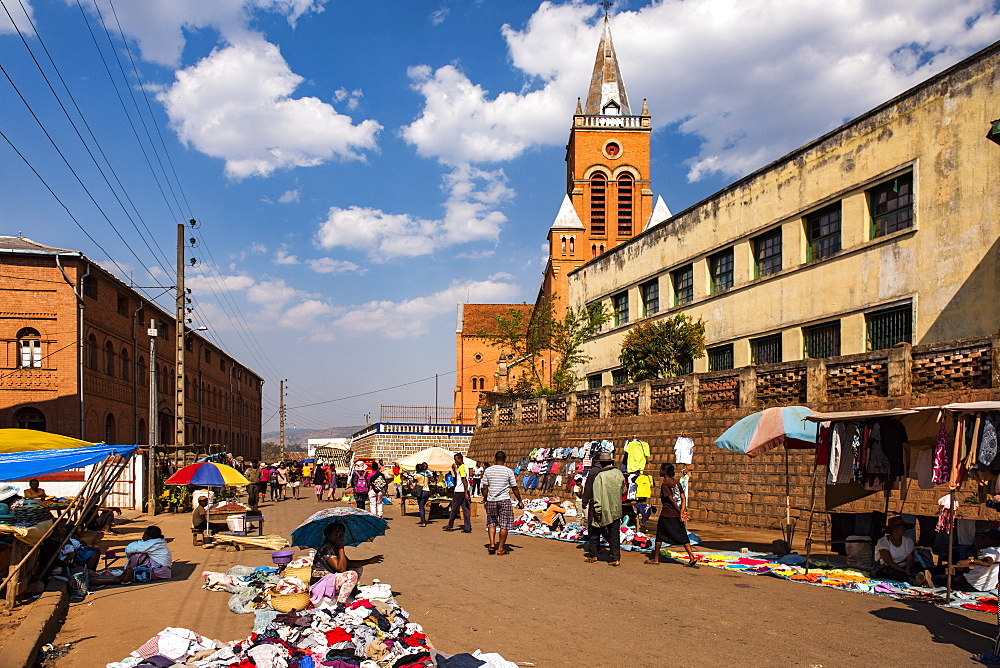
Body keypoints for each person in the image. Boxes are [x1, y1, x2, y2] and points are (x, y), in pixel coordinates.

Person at [310, 522, 384, 609]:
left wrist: (370, 561)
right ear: (328, 535)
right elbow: (341, 568)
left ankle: (345, 595)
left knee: (357, 568)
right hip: (321, 583)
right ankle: (340, 605)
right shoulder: (327, 548)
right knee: (352, 575)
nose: (339, 537)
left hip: (330, 580)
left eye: (341, 535)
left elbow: (348, 563)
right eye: (335, 535)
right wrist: (341, 548)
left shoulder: (334, 547)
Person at [646, 463, 700, 567]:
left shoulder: (665, 484)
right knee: (682, 535)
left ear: (664, 471)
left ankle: (656, 559)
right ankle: (691, 556)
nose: (659, 471)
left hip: (667, 514)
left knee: (659, 536)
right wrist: (682, 512)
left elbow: (671, 501)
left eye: (661, 469)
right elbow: (683, 498)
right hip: (677, 514)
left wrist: (680, 512)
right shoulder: (676, 483)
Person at [582, 451, 626, 566]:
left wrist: (597, 510)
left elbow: (597, 495)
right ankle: (616, 558)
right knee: (614, 534)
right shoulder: (619, 473)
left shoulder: (600, 476)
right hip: (616, 509)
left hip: (602, 509)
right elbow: (623, 490)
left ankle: (593, 555)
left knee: (595, 533)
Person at [929, 529, 1000, 591]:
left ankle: (927, 575)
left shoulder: (991, 550)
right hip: (986, 587)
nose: (981, 540)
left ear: (994, 542)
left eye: (984, 538)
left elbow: (988, 562)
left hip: (971, 584)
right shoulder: (998, 551)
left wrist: (970, 561)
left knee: (937, 579)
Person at [482, 450, 522, 556]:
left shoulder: (488, 471)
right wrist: (520, 500)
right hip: (504, 500)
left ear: (494, 459)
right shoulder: (508, 471)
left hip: (491, 500)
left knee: (491, 522)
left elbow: (485, 487)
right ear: (505, 460)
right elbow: (514, 487)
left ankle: (491, 545)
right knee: (504, 525)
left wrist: (485, 500)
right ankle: (500, 548)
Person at [873, 516, 918, 583]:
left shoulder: (908, 540)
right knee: (896, 574)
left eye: (904, 527)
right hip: (889, 567)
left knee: (917, 568)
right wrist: (904, 572)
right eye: (900, 527)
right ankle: (913, 580)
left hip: (904, 566)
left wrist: (908, 570)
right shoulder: (883, 541)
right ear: (894, 529)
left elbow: (910, 558)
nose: (903, 529)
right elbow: (889, 561)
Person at [443, 453, 472, 533]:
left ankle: (450, 525)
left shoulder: (462, 468)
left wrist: (465, 493)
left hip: (460, 491)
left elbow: (464, 480)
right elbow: (459, 478)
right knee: (466, 509)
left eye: (455, 460)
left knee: (454, 509)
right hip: (464, 490)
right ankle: (467, 527)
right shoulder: (465, 467)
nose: (455, 461)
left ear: (459, 459)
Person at [414, 463, 432, 527]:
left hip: (421, 491)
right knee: (423, 506)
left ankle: (423, 522)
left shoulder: (417, 475)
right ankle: (424, 520)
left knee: (421, 508)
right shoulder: (427, 475)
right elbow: (431, 477)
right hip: (427, 491)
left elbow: (414, 481)